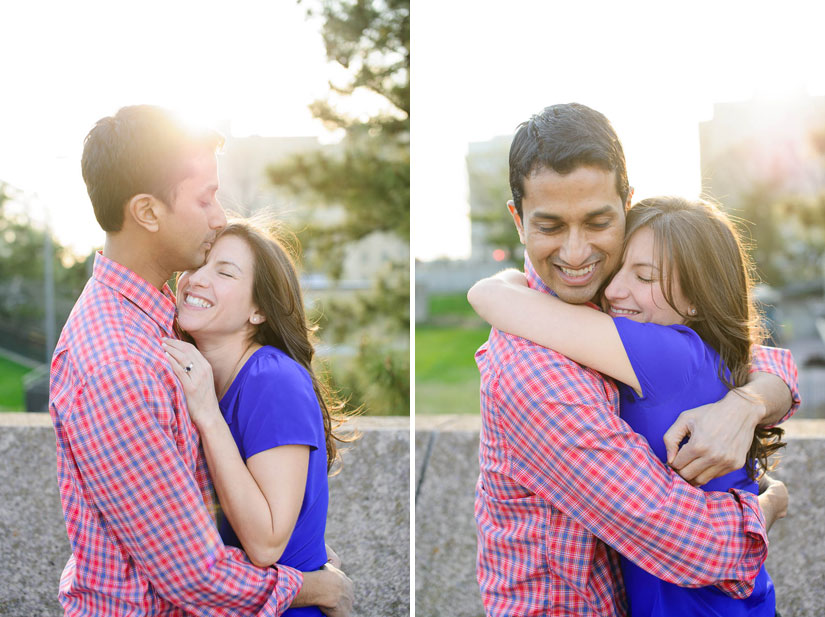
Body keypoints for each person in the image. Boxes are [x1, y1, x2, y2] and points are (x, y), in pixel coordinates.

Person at [465, 103, 799, 616]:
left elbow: (750, 355)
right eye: (550, 226)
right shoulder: (535, 372)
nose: (576, 255)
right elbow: (690, 544)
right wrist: (769, 502)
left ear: (627, 204)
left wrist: (748, 401)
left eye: (597, 222)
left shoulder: (611, 311)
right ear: (519, 220)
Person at [49, 105, 352, 616]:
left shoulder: (152, 327)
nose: (219, 216)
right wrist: (313, 586)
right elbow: (194, 576)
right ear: (147, 212)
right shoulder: (120, 364)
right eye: (205, 198)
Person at [161, 221, 349, 617]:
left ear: (258, 310)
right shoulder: (202, 378)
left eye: (224, 272)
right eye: (200, 264)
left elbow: (265, 546)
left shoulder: (272, 380)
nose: (196, 279)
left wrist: (209, 416)